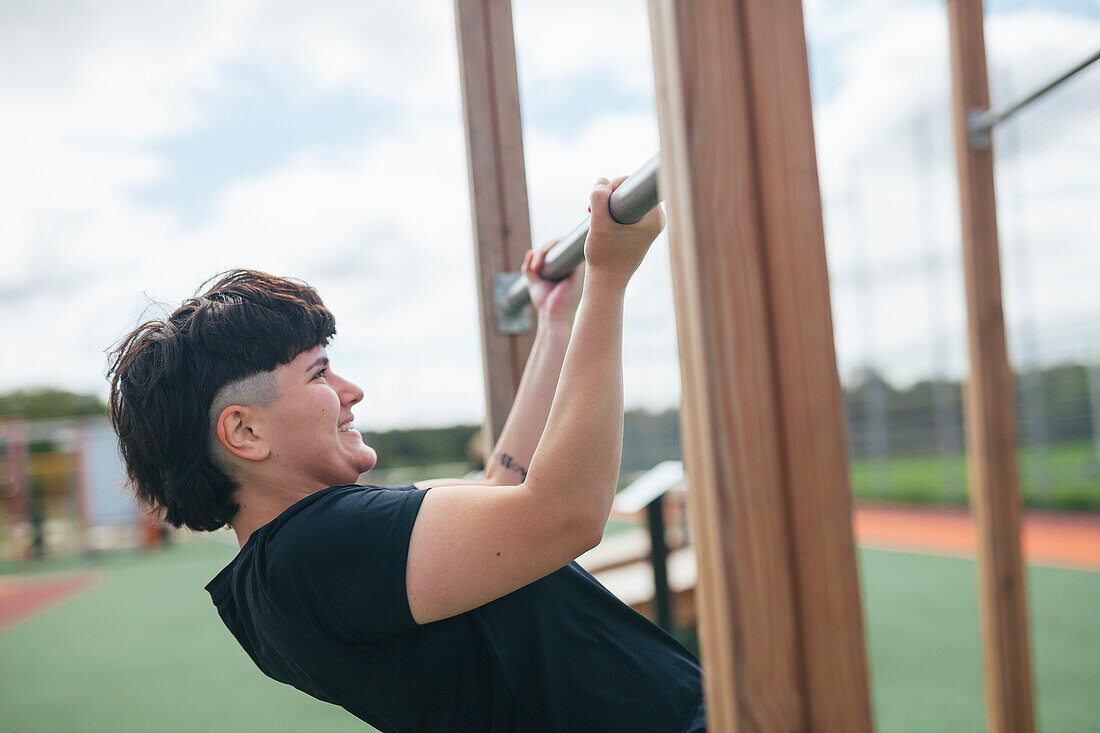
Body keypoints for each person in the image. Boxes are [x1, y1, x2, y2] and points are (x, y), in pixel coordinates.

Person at [108, 176, 705, 732]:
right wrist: (610, 276)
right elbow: (564, 514)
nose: (351, 391)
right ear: (245, 434)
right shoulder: (315, 549)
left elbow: (501, 494)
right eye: (320, 375)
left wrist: (555, 326)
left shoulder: (283, 574)